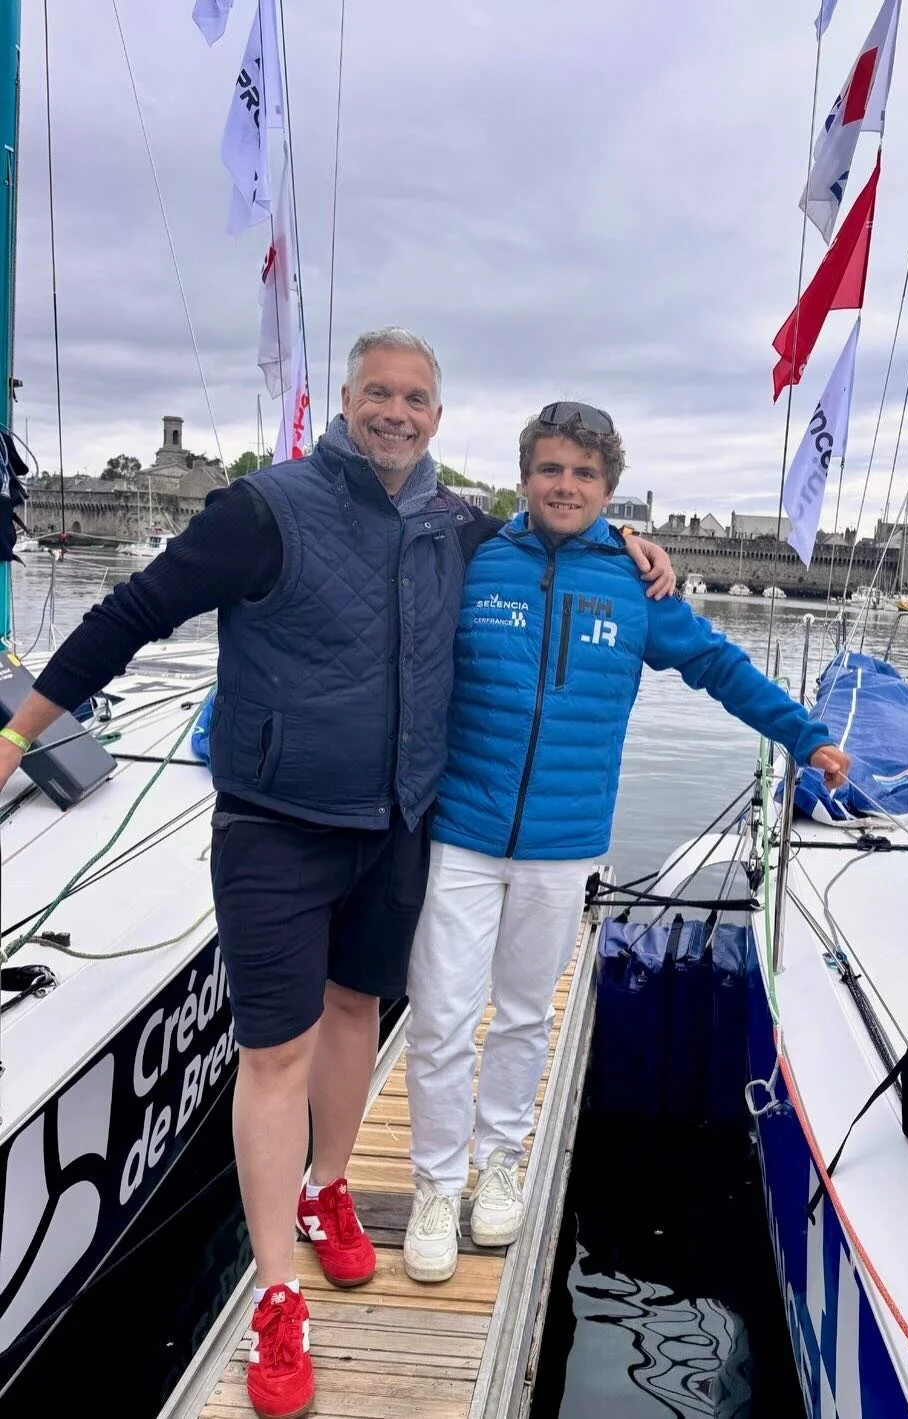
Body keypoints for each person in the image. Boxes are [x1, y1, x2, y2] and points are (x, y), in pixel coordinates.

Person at [0, 336, 674, 1419]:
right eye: (378, 395)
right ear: (345, 402)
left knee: (358, 1005)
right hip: (275, 824)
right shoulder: (263, 511)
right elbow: (132, 614)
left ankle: (326, 1193)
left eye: (415, 399)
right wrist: (19, 732)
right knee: (273, 1049)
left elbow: (546, 538)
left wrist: (628, 544)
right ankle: (276, 1293)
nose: (395, 413)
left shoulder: (455, 525)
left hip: (394, 827)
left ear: (438, 418)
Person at [401, 401, 850, 1283]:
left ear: (608, 488)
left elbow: (719, 664)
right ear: (524, 476)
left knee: (525, 1014)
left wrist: (802, 733)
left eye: (583, 474)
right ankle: (432, 1184)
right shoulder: (474, 557)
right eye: (549, 470)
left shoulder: (640, 587)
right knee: (444, 1017)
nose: (564, 486)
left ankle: (498, 1164)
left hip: (565, 843)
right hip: (461, 828)